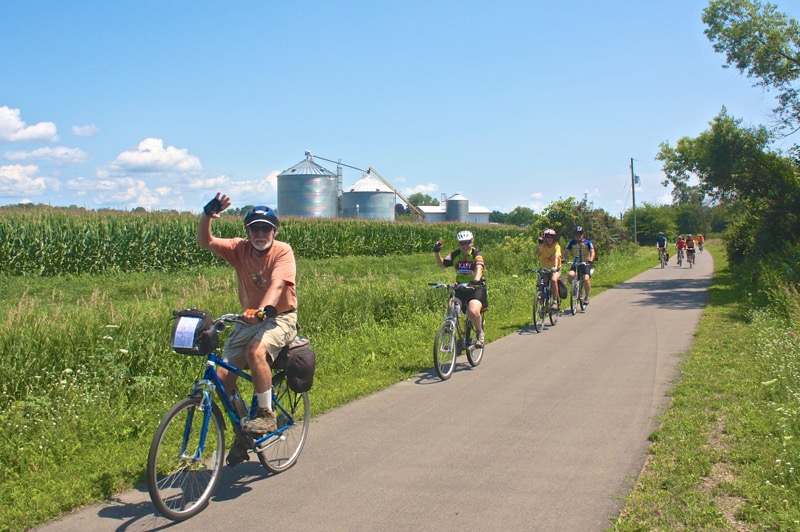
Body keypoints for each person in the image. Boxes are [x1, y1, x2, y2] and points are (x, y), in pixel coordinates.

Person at [198, 193, 298, 466]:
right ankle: (243, 429)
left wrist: (263, 309)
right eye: (255, 228)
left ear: (274, 231)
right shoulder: (239, 248)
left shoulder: (282, 251)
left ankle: (265, 413)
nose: (260, 233)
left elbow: (278, 285)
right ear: (247, 231)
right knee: (222, 377)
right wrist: (207, 214)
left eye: (265, 228)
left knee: (256, 351)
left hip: (280, 317)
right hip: (247, 319)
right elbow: (205, 241)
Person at [434, 230, 487, 347]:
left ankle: (479, 333)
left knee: (473, 311)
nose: (465, 246)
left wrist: (476, 279)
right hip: (460, 287)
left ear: (472, 242)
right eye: (462, 243)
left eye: (467, 242)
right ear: (459, 244)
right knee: (451, 308)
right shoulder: (455, 254)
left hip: (475, 287)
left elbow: (479, 268)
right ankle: (451, 336)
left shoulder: (476, 254)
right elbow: (442, 264)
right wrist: (437, 252)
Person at [563, 226, 596, 305]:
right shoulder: (572, 243)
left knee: (586, 278)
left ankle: (587, 296)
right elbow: (566, 251)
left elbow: (592, 251)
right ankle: (575, 289)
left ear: (582, 234)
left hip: (585, 264)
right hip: (576, 263)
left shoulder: (587, 242)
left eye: (579, 233)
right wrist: (563, 259)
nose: (578, 235)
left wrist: (591, 259)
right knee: (570, 275)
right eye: (576, 234)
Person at [536, 229, 562, 310]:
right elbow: (537, 253)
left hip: (555, 269)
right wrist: (540, 244)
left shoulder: (556, 246)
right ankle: (542, 304)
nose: (549, 239)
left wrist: (555, 267)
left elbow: (557, 257)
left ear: (554, 238)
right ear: (545, 238)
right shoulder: (543, 246)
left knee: (554, 280)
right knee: (540, 284)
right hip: (545, 269)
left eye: (551, 237)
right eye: (547, 237)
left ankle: (554, 302)